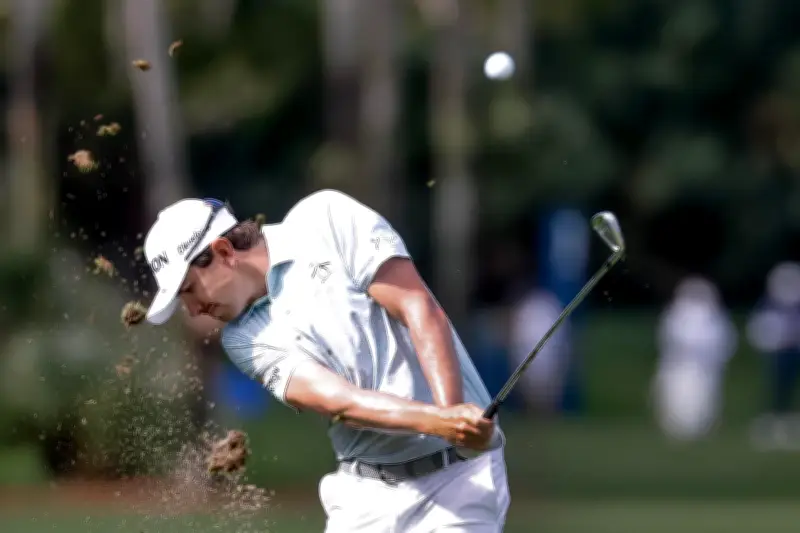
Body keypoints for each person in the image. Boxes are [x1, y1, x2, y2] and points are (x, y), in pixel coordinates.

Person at [141, 189, 510, 531]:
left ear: (223, 252)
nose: (191, 309)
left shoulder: (325, 219)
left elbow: (417, 307)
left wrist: (455, 417)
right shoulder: (243, 339)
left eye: (189, 289)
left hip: (460, 482)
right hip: (364, 497)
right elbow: (340, 400)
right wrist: (441, 421)